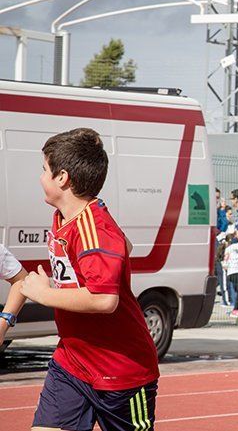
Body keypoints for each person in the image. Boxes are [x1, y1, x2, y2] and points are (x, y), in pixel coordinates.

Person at [21, 128, 159, 431]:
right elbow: (124, 246)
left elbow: (104, 299)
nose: (40, 177)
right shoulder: (66, 217)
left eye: (44, 170)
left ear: (63, 178)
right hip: (72, 362)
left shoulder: (93, 227)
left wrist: (42, 294)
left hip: (120, 373)